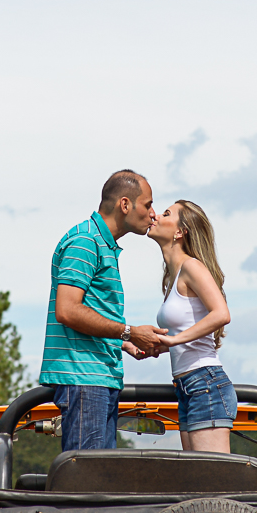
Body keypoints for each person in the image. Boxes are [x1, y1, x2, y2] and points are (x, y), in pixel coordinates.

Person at [39, 170, 168, 452]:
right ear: (125, 205)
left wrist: (124, 342)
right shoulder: (86, 242)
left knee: (98, 482)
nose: (153, 213)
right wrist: (130, 331)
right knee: (87, 485)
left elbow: (87, 313)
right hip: (84, 381)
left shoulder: (101, 243)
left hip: (97, 380)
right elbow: (68, 310)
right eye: (148, 204)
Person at [149, 200, 235, 453]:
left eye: (166, 213)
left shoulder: (192, 266)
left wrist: (175, 341)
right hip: (187, 386)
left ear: (179, 232)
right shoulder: (174, 275)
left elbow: (221, 314)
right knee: (197, 481)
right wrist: (160, 345)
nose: (155, 215)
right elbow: (187, 330)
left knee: (213, 482)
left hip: (204, 383)